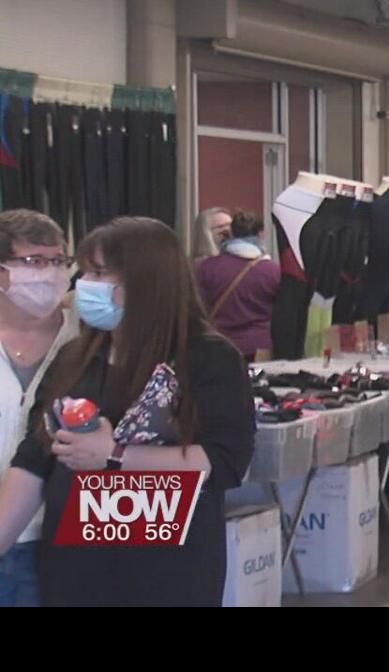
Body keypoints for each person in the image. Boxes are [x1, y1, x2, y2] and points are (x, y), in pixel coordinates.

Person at [0, 216, 256, 606]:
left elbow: (225, 460)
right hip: (74, 570)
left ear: (144, 283)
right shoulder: (77, 356)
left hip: (163, 572)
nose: (84, 284)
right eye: (86, 271)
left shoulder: (206, 357)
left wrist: (117, 455)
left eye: (100, 273)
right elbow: (34, 459)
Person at [0, 210, 79, 607]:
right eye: (34, 262)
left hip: (66, 537)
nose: (50, 273)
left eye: (59, 261)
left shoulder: (86, 337)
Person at [195, 212, 281, 363]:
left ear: (232, 234)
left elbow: (197, 308)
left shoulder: (206, 268)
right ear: (261, 234)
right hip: (259, 349)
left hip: (219, 347)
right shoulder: (273, 271)